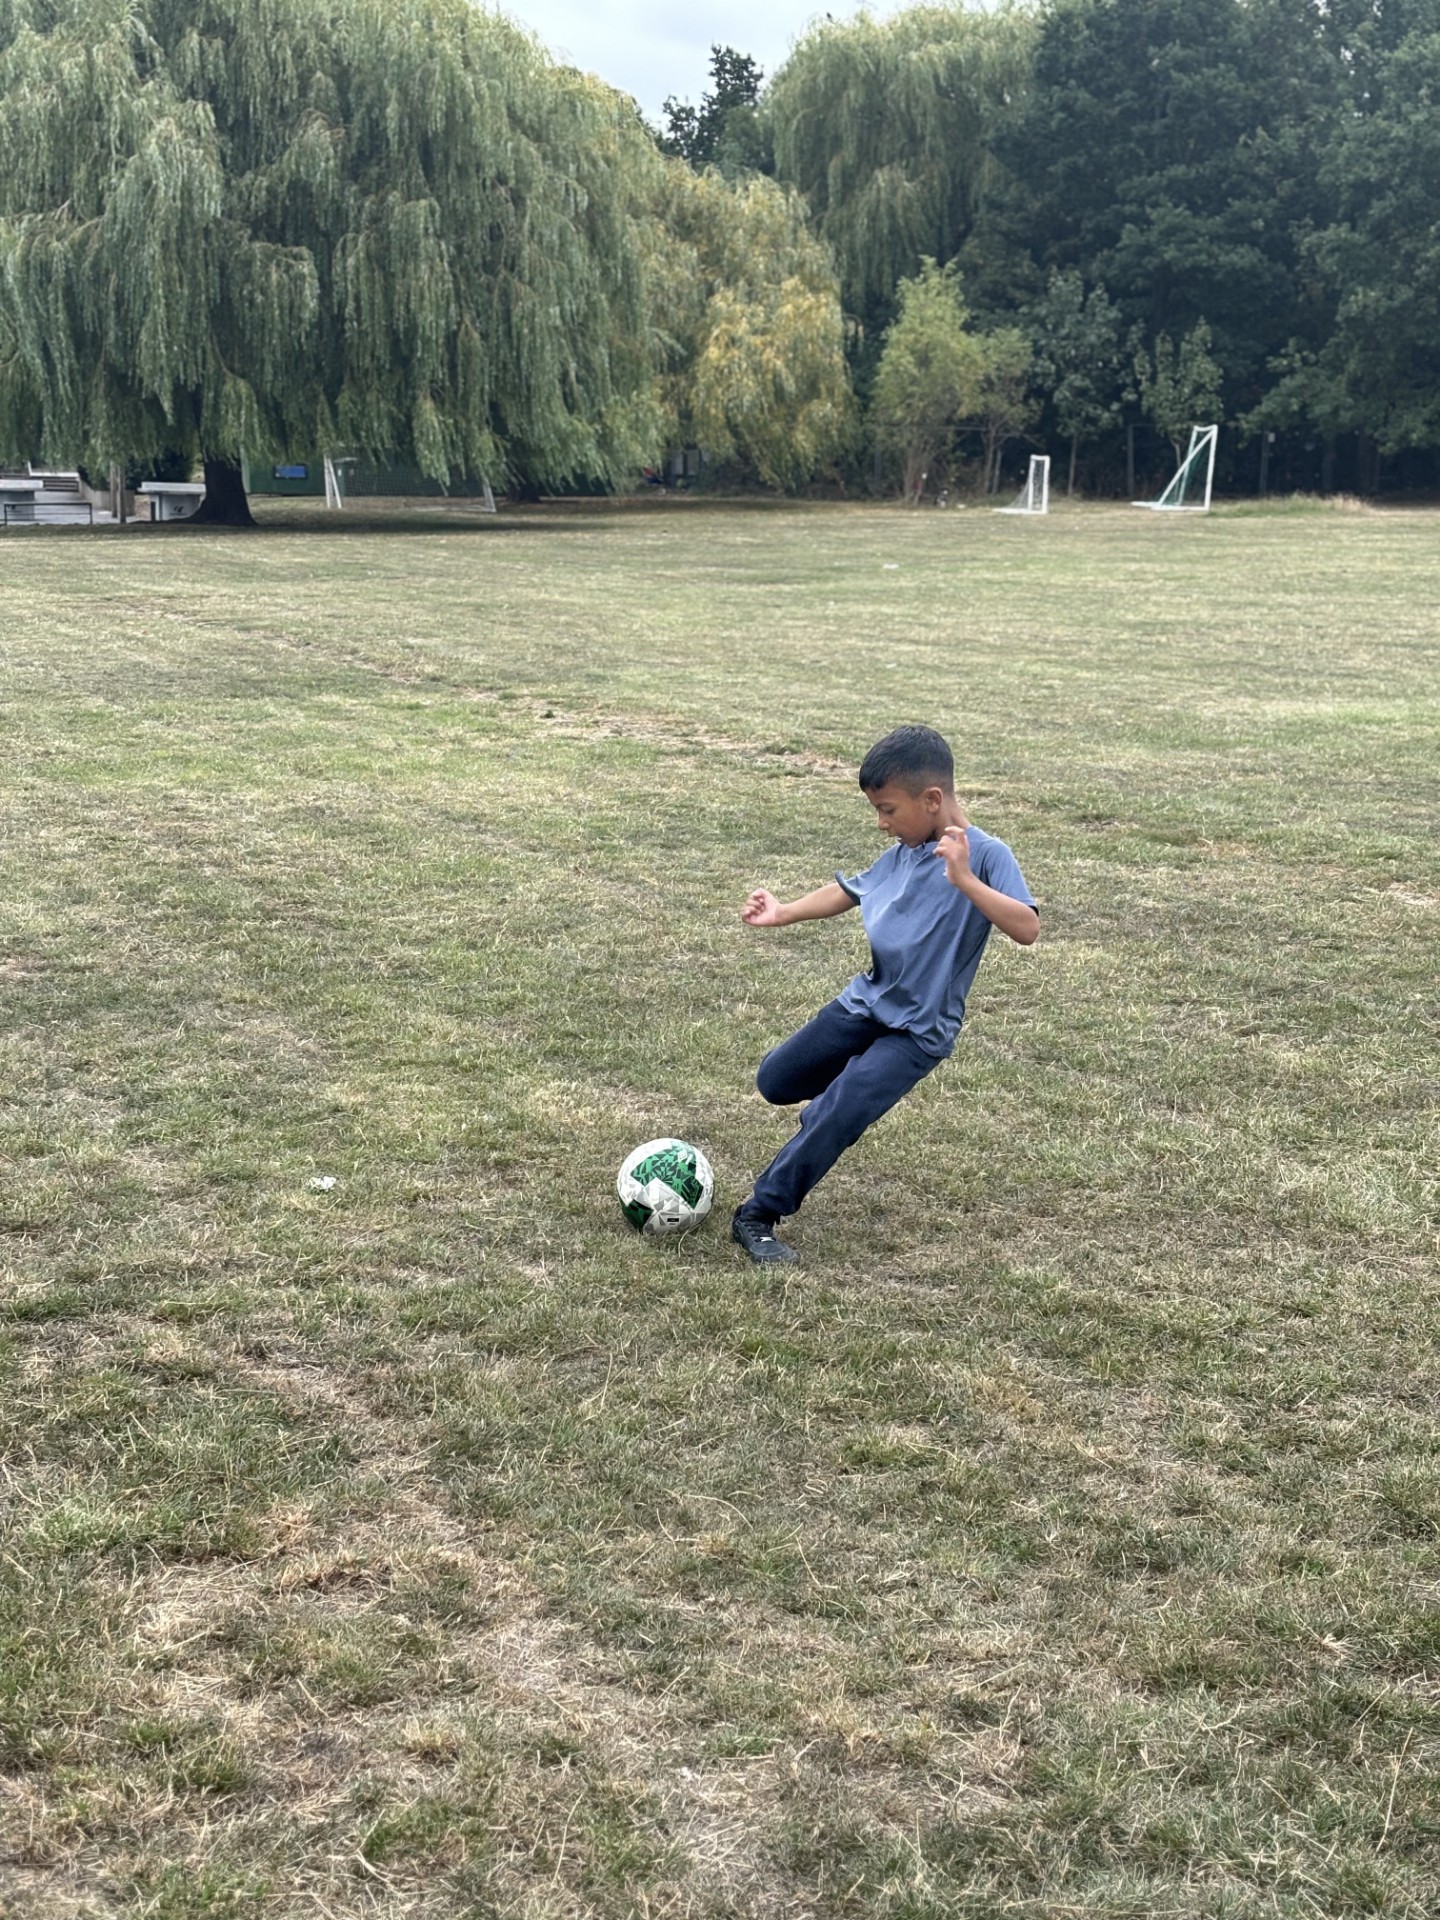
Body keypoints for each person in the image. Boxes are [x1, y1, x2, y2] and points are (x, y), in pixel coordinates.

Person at [732, 724, 1039, 1265]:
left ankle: (759, 1213)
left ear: (933, 799)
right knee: (776, 1081)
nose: (882, 823)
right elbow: (849, 891)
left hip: (918, 1032)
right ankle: (845, 1093)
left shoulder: (987, 856)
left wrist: (965, 879)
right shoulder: (904, 850)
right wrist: (782, 912)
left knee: (839, 1108)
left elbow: (1027, 928)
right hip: (864, 1005)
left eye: (888, 809)